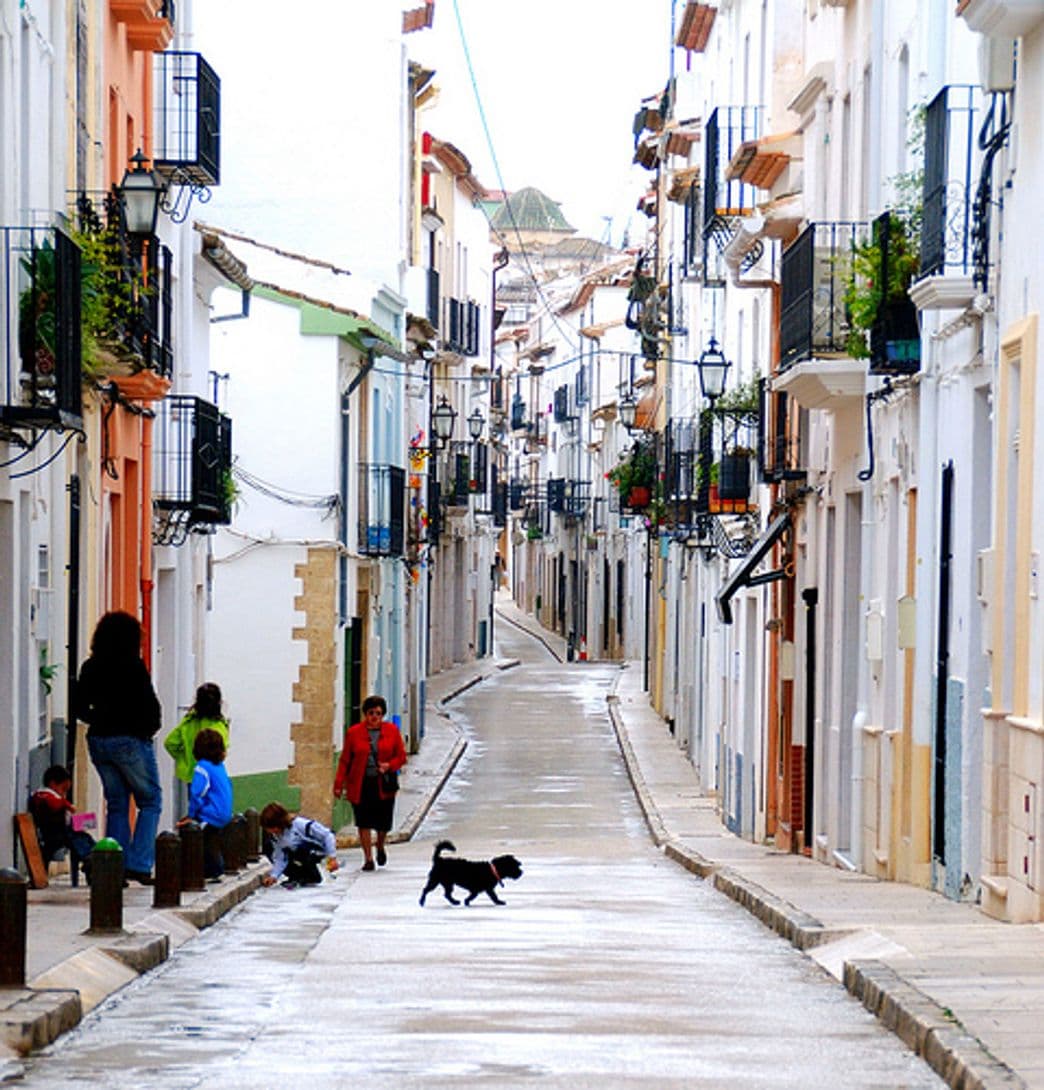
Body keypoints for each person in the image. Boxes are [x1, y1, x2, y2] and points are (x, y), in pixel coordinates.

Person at [75, 610, 162, 885]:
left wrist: (98, 719)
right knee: (150, 800)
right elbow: (150, 705)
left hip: (99, 741)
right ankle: (139, 863)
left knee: (116, 803)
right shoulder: (132, 666)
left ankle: (116, 865)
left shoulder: (90, 667)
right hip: (130, 739)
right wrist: (147, 730)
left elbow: (79, 706)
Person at [333, 694, 407, 871]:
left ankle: (380, 845)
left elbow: (401, 756)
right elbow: (345, 760)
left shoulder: (391, 731)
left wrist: (389, 765)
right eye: (371, 713)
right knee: (363, 821)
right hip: (361, 784)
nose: (375, 717)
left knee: (383, 823)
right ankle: (368, 858)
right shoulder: (354, 733)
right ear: (365, 714)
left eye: (379, 713)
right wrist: (338, 783)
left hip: (384, 783)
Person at [182, 729, 233, 881]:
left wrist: (191, 815)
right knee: (212, 839)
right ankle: (217, 868)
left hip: (211, 812)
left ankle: (211, 871)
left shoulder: (202, 767)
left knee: (202, 839)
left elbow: (197, 793)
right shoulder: (220, 766)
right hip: (224, 812)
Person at [29, 765, 95, 879]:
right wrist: (67, 805)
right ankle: (88, 858)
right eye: (63, 789)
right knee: (77, 839)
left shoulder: (55, 796)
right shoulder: (43, 794)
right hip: (55, 832)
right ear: (53, 784)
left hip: (65, 828)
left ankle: (93, 856)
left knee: (86, 835)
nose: (64, 794)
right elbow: (54, 804)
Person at [259, 802, 339, 889]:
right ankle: (297, 876)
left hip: (313, 853)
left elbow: (327, 835)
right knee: (271, 848)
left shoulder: (301, 825)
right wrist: (274, 876)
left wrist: (332, 857)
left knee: (300, 850)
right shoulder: (278, 837)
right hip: (297, 854)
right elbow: (280, 857)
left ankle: (311, 876)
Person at [165, 683, 230, 784]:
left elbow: (170, 743)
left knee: (191, 799)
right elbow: (222, 752)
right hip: (211, 777)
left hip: (189, 774)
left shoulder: (189, 721)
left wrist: (184, 758)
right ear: (219, 703)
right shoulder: (219, 727)